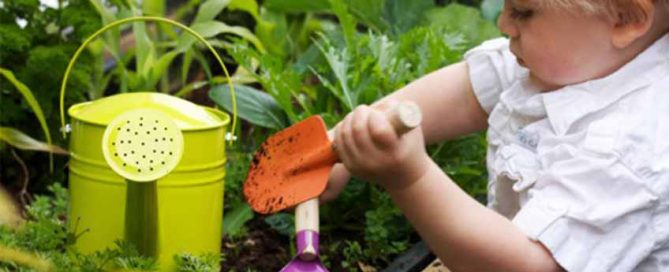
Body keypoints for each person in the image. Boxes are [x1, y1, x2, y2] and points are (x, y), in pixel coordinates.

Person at [321, 0, 669, 271]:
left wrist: (409, 177)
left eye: (522, 11)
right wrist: (342, 144)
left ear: (625, 18)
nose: (503, 24)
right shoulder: (581, 55)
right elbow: (467, 93)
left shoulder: (631, 150)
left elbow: (526, 265)